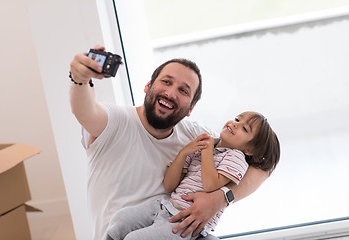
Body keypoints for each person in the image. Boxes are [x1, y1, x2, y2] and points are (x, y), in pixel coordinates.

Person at [69, 45, 271, 240]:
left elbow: (264, 167)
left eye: (183, 91)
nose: (171, 93)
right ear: (148, 86)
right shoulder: (116, 122)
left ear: (190, 108)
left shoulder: (198, 137)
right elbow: (85, 112)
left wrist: (221, 199)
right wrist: (80, 80)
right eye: (166, 82)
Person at [106, 111, 280, 239]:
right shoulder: (204, 146)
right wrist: (183, 153)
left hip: (187, 223)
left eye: (244, 128)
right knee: (120, 220)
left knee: (134, 239)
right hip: (166, 205)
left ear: (249, 149)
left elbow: (211, 185)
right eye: (237, 119)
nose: (234, 124)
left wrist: (206, 151)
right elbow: (169, 185)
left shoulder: (236, 157)